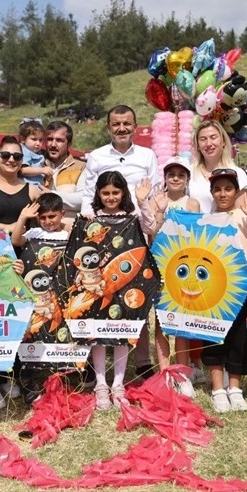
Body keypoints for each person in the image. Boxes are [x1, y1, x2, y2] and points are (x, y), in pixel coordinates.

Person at [79, 106, 160, 381]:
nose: (122, 128)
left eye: (127, 123)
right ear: (108, 127)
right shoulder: (97, 156)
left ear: (135, 126)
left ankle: (142, 360)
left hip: (136, 232)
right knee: (100, 297)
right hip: (103, 234)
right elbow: (88, 194)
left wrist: (148, 221)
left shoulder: (147, 156)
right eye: (116, 124)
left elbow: (154, 193)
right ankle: (96, 365)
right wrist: (89, 224)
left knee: (136, 296)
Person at [0, 136, 40, 407]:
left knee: (15, 319)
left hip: (20, 261)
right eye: (6, 155)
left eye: (17, 156)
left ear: (23, 160)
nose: (11, 160)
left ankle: (7, 374)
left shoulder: (32, 190)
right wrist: (7, 228)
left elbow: (47, 220)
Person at [86, 171, 157, 410]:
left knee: (122, 332)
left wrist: (143, 202)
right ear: (98, 193)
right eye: (105, 193)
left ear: (123, 192)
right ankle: (100, 384)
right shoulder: (91, 218)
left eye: (115, 192)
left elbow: (150, 226)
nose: (111, 197)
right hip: (98, 286)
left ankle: (118, 384)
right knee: (97, 333)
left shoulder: (132, 217)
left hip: (127, 285)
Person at [201, 169, 247, 413]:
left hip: (243, 284)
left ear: (236, 192)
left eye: (228, 189)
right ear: (211, 193)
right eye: (217, 189)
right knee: (213, 334)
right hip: (213, 285)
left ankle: (235, 388)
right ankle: (218, 388)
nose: (222, 194)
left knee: (241, 335)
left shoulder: (244, 215)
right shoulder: (204, 219)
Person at [11, 192, 71, 403]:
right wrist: (23, 217)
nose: (47, 221)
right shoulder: (34, 232)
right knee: (33, 332)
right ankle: (28, 378)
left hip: (60, 295)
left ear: (62, 213)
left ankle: (64, 375)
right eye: (43, 217)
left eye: (52, 216)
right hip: (35, 295)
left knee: (61, 332)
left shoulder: (68, 233)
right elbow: (15, 239)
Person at [149, 157, 200, 397]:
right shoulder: (156, 201)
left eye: (181, 174)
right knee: (161, 322)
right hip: (160, 266)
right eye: (171, 174)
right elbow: (152, 234)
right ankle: (165, 372)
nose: (176, 178)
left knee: (181, 324)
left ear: (187, 179)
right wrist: (159, 212)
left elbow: (195, 235)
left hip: (184, 268)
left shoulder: (192, 203)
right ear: (165, 178)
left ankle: (182, 374)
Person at [188, 120, 247, 214]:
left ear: (223, 141)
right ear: (197, 145)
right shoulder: (188, 172)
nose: (208, 144)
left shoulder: (238, 174)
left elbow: (241, 214)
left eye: (213, 137)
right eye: (203, 139)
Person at [45, 121, 87, 224]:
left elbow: (82, 200)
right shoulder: (36, 167)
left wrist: (50, 195)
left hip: (70, 228)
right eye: (50, 139)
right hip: (40, 230)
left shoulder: (82, 167)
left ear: (69, 144)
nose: (53, 144)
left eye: (59, 140)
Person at [18, 118, 51, 186]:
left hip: (37, 186)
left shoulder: (37, 152)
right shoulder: (25, 151)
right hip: (27, 186)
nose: (38, 143)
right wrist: (43, 170)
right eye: (34, 139)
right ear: (23, 139)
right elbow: (23, 170)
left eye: (40, 140)